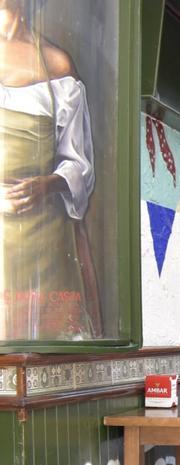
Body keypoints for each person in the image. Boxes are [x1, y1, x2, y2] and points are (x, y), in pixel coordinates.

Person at [1, 1, 97, 340]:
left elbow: (79, 164)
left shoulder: (56, 64)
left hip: (44, 240)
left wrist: (47, 185)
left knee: (45, 343)